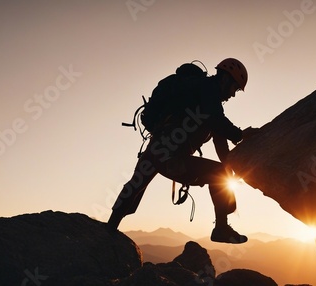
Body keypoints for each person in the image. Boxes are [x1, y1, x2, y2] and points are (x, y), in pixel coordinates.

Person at [107, 58, 257, 243]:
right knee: (218, 172)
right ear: (226, 79)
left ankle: (109, 228)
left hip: (156, 149)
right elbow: (216, 122)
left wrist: (231, 170)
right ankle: (221, 228)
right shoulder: (208, 91)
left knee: (135, 185)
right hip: (172, 158)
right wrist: (240, 135)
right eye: (235, 88)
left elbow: (220, 140)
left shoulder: (202, 95)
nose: (233, 95)